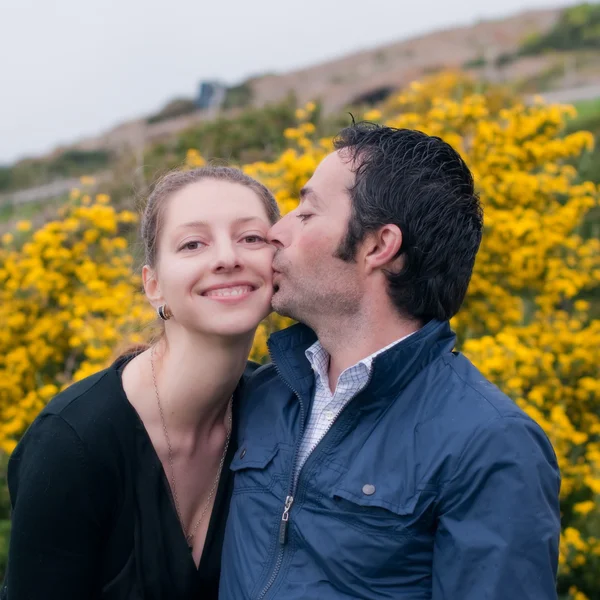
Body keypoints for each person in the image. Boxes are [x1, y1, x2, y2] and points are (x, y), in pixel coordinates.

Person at [220, 124, 561, 599]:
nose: (276, 232)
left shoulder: (491, 443)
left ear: (379, 247)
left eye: (307, 212)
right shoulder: (263, 394)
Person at [2, 166, 280, 599]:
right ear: (154, 286)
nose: (228, 257)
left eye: (252, 238)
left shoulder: (280, 412)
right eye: (193, 243)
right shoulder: (72, 443)